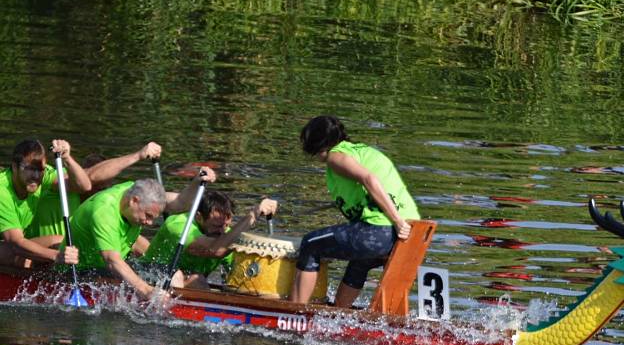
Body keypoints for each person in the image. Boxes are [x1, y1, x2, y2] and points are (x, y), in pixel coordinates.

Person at [289, 116, 419, 307]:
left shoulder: (335, 156)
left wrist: (397, 221)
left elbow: (369, 179)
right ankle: (340, 314)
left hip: (385, 231)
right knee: (360, 262)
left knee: (310, 244)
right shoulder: (362, 151)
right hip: (411, 234)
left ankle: (292, 312)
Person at [67, 168, 216, 300]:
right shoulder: (103, 211)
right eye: (148, 215)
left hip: (111, 266)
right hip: (81, 271)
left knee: (172, 274)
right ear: (134, 201)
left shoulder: (135, 191)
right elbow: (112, 261)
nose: (150, 223)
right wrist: (146, 290)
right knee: (149, 284)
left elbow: (181, 202)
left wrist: (197, 182)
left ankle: (175, 306)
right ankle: (166, 308)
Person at [141, 190, 278, 289]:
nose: (222, 231)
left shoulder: (225, 235)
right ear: (199, 217)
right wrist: (252, 216)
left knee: (197, 279)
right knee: (186, 278)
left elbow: (235, 274)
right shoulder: (179, 226)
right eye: (216, 226)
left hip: (183, 281)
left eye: (226, 225)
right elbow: (215, 250)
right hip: (149, 276)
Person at [26, 142, 163, 238]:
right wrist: (139, 155)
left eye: (107, 187)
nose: (104, 193)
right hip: (45, 257)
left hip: (77, 259)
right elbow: (91, 177)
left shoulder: (107, 205)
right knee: (58, 241)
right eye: (100, 186)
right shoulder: (61, 185)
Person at [0, 139, 91, 267]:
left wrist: (67, 158)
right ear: (14, 166)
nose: (36, 176)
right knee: (20, 254)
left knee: (61, 242)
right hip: (10, 244)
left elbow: (84, 186)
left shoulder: (43, 174)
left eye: (40, 170)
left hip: (8, 242)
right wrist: (56, 256)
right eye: (30, 169)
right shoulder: (2, 191)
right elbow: (15, 243)